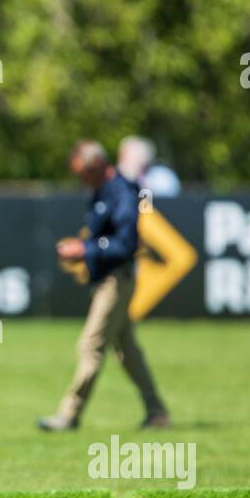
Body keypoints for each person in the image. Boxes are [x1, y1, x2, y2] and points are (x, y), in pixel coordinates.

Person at [40, 140, 170, 431]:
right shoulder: (101, 190)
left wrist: (85, 250)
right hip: (107, 280)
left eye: (84, 173)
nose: (81, 180)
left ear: (98, 166)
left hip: (117, 280)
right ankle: (157, 412)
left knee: (91, 345)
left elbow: (126, 244)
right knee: (128, 351)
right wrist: (83, 247)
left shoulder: (121, 192)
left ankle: (69, 414)